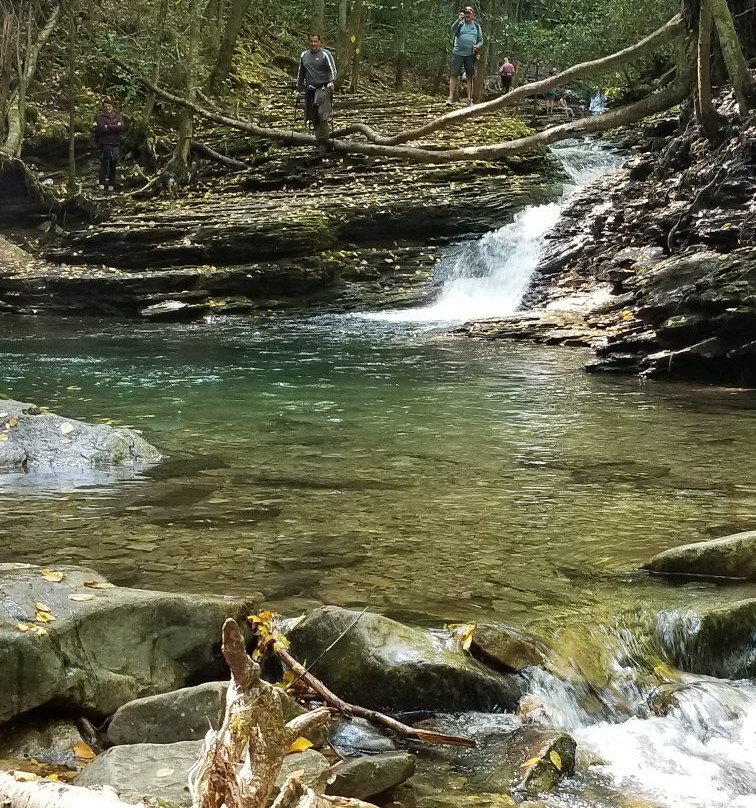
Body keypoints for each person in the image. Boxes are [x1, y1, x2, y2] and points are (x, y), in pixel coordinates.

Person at [296, 33, 337, 154]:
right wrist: (298, 89)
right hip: (310, 89)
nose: (313, 44)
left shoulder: (325, 54)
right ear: (309, 42)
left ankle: (325, 142)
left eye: (315, 42)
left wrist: (331, 82)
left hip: (323, 88)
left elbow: (332, 70)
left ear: (319, 42)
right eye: (311, 42)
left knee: (322, 115)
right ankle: (319, 140)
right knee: (312, 116)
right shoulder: (304, 55)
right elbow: (301, 74)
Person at [448, 6, 483, 106]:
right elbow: (453, 29)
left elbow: (481, 40)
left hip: (470, 55)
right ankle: (450, 97)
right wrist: (457, 20)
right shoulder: (460, 24)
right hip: (458, 53)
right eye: (466, 13)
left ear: (473, 15)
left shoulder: (476, 26)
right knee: (454, 75)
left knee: (469, 76)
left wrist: (477, 46)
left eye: (469, 13)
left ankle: (469, 99)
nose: (467, 15)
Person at [95, 98, 124, 192]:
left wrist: (109, 126)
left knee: (113, 165)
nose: (108, 108)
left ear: (112, 106)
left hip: (115, 144)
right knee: (104, 165)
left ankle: (111, 185)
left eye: (109, 106)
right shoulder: (100, 117)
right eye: (105, 107)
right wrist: (115, 127)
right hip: (105, 144)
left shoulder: (118, 117)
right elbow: (102, 128)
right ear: (103, 108)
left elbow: (121, 127)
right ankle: (102, 184)